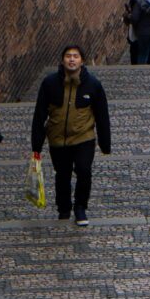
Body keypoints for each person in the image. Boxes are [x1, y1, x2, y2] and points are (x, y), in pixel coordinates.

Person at [29, 43, 112, 226]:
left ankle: (80, 207)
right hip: (58, 140)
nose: (72, 59)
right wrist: (36, 144)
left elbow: (102, 115)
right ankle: (64, 208)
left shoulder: (93, 85)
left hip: (84, 138)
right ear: (62, 60)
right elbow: (40, 114)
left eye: (75, 56)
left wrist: (105, 144)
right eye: (68, 56)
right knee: (62, 175)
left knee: (84, 170)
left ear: (82, 61)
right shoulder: (49, 83)